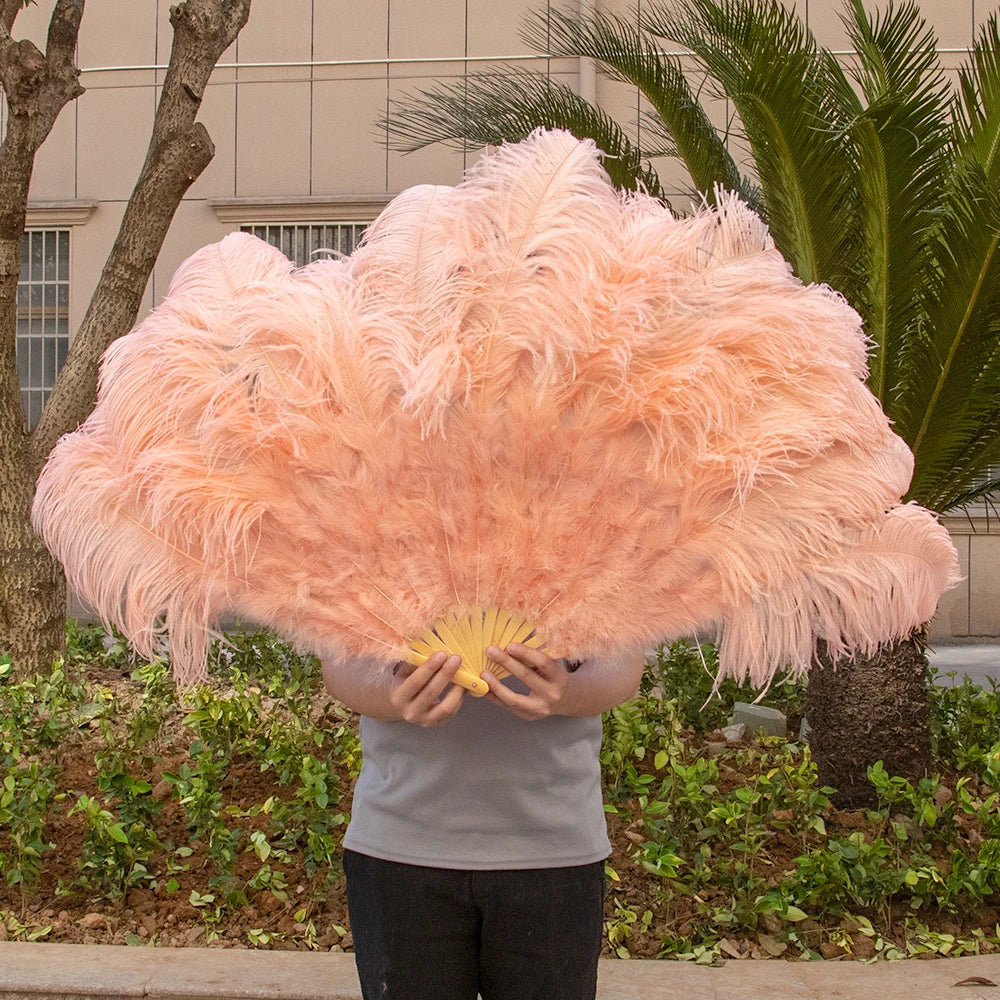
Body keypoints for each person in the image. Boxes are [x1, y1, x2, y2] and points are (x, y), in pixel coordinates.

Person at [321, 639, 646, 1000]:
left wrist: (568, 693)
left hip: (555, 848)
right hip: (399, 844)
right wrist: (393, 695)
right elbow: (340, 664)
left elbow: (624, 665)